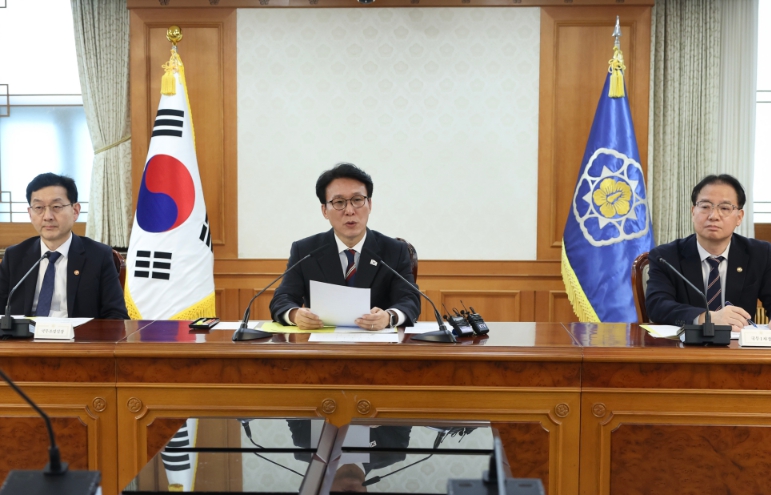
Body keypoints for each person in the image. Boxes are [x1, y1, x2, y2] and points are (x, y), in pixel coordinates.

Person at [269, 163, 420, 330]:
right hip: (321, 342)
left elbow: (410, 299)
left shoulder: (394, 250)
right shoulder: (305, 251)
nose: (349, 210)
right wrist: (295, 315)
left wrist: (389, 317)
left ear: (369, 204)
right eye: (339, 202)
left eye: (357, 200)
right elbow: (282, 298)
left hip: (377, 342)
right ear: (324, 210)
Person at [646, 174, 771, 331]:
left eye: (725, 208)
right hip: (684, 345)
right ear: (693, 212)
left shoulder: (761, 254)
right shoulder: (665, 256)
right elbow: (657, 306)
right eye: (705, 207)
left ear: (739, 217)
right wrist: (706, 318)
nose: (713, 216)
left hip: (738, 344)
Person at [0, 173, 129, 319]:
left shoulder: (99, 256)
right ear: (30, 214)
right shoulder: (14, 256)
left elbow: (116, 316)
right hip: (26, 334)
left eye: (56, 206)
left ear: (75, 211)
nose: (47, 216)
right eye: (39, 207)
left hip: (78, 333)